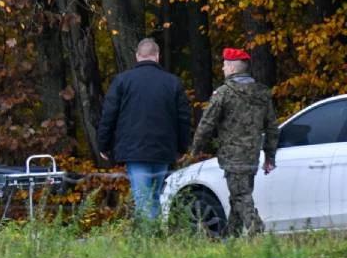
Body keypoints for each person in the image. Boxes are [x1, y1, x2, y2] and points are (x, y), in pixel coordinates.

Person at [97, 38, 191, 221]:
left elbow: (109, 115)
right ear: (157, 56)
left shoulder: (122, 81)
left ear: (137, 56)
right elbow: (183, 119)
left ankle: (148, 240)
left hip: (134, 149)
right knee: (154, 197)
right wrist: (181, 148)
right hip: (163, 149)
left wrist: (104, 145)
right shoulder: (172, 83)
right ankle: (153, 237)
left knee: (142, 198)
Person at [188, 47, 279, 236]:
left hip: (231, 155)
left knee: (240, 195)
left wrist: (194, 151)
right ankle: (231, 237)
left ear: (231, 67)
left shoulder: (223, 93)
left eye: (224, 65)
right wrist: (270, 156)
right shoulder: (262, 93)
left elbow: (206, 124)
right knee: (238, 195)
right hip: (252, 155)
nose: (222, 69)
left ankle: (256, 228)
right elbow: (272, 127)